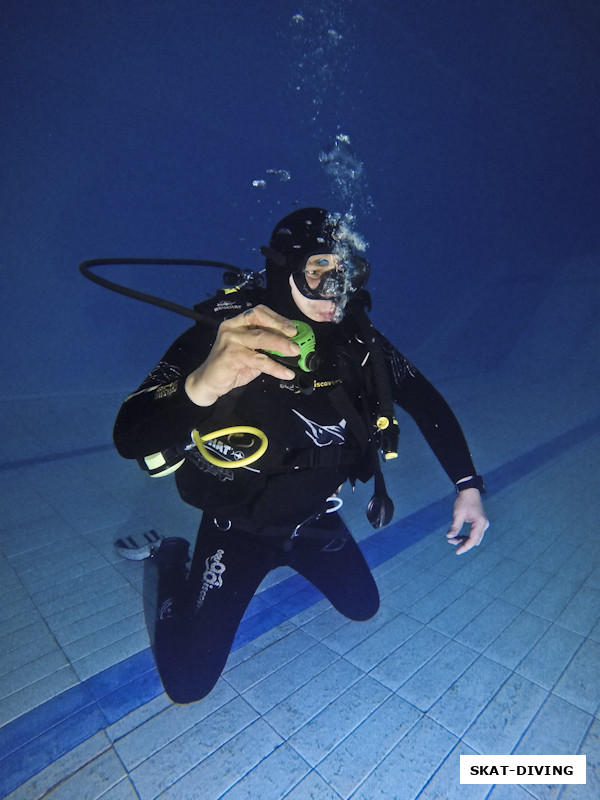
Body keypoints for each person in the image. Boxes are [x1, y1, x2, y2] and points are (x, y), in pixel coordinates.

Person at [113, 207, 489, 704]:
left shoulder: (360, 344)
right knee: (187, 684)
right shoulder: (223, 334)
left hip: (315, 521)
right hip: (236, 526)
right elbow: (129, 434)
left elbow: (425, 400)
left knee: (363, 607)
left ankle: (302, 544)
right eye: (317, 272)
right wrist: (200, 386)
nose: (333, 293)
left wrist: (468, 486)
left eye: (345, 274)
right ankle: (170, 560)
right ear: (282, 269)